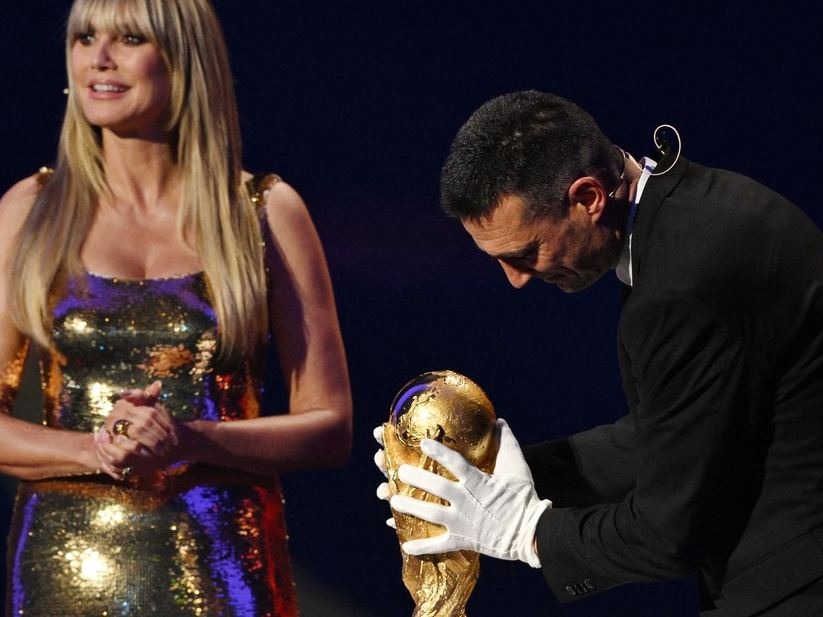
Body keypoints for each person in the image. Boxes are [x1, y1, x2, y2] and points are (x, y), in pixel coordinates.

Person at [375, 90, 823, 616]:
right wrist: (489, 472)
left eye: (525, 253)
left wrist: (526, 531)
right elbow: (681, 431)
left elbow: (669, 532)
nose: (516, 280)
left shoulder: (682, 284)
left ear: (588, 198)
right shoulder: (698, 215)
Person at [0, 0, 352, 615]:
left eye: (129, 38)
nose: (99, 58)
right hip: (65, 572)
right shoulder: (31, 210)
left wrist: (188, 439)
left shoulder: (264, 213)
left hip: (224, 568)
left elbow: (330, 427)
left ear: (184, 60)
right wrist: (98, 448)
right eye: (85, 37)